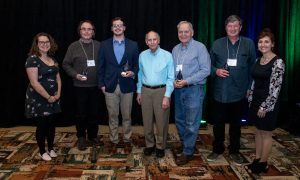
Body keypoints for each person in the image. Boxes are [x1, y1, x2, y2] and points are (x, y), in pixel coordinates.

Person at [207, 15, 256, 164]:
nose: (233, 29)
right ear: (225, 28)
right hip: (220, 92)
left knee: (236, 124)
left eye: (236, 26)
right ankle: (217, 149)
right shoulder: (217, 44)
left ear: (240, 28)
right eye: (230, 26)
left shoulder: (248, 44)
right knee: (218, 124)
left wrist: (249, 88)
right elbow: (207, 66)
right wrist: (216, 71)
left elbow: (253, 68)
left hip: (239, 93)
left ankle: (235, 151)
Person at [97, 17, 139, 154]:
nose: (117, 28)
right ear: (111, 28)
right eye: (115, 25)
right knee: (112, 116)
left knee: (127, 116)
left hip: (127, 86)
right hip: (110, 86)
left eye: (120, 25)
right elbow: (100, 67)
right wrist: (101, 84)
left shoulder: (133, 45)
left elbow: (136, 65)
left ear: (124, 28)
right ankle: (113, 140)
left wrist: (132, 72)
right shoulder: (104, 45)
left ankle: (127, 139)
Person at [246, 29, 285, 174]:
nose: (263, 44)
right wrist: (250, 94)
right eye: (260, 42)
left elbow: (276, 89)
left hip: (268, 104)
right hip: (255, 101)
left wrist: (265, 106)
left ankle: (263, 163)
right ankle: (257, 158)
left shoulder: (278, 62)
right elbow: (255, 81)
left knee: (266, 133)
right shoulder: (258, 60)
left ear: (272, 44)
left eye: (266, 42)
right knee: (257, 131)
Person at [172, 21, 211, 165]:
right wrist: (174, 81)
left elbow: (206, 70)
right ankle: (187, 144)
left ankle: (188, 151)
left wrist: (187, 81)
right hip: (178, 90)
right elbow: (174, 70)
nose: (183, 34)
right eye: (180, 32)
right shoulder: (175, 49)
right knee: (180, 120)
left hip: (194, 90)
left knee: (191, 123)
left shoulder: (200, 48)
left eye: (186, 31)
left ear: (192, 32)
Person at [63, 20, 103, 151]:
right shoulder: (73, 46)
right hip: (79, 87)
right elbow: (66, 64)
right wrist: (75, 75)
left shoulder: (99, 45)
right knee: (81, 114)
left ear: (93, 32)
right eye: (83, 29)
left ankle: (92, 136)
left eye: (89, 29)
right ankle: (81, 137)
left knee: (94, 113)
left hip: (96, 86)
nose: (86, 31)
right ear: (79, 31)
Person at [136, 31, 174, 158]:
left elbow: (171, 78)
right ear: (146, 42)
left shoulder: (167, 55)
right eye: (149, 40)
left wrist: (167, 96)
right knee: (147, 120)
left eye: (154, 39)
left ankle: (160, 146)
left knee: (161, 121)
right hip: (145, 91)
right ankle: (150, 144)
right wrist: (139, 91)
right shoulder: (142, 55)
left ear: (158, 40)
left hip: (161, 91)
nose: (152, 42)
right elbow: (140, 75)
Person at [25, 32, 61, 161]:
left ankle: (51, 148)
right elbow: (34, 83)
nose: (44, 44)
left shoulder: (53, 59)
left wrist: (58, 94)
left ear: (50, 44)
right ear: (37, 44)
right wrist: (48, 97)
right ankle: (42, 151)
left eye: (47, 42)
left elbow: (58, 79)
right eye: (41, 42)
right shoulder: (32, 59)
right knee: (42, 125)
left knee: (51, 124)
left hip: (54, 98)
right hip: (39, 98)